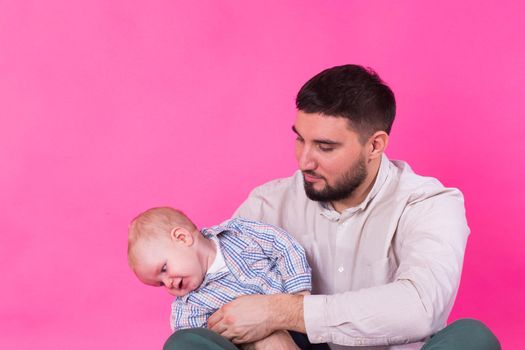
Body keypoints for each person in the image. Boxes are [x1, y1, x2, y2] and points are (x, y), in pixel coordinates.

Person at [165, 65, 500, 350]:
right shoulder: (268, 203)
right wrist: (270, 338)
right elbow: (217, 292)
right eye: (300, 139)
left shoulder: (430, 204)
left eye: (325, 147)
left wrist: (280, 311)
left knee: (473, 338)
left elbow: (420, 307)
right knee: (190, 343)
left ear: (374, 145)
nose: (304, 160)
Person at [127, 207, 319, 349]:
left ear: (182, 238)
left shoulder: (239, 232)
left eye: (165, 268)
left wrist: (299, 296)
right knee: (180, 342)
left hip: (293, 325)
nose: (168, 283)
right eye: (160, 283)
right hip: (248, 344)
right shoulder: (188, 308)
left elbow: (284, 247)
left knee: (272, 337)